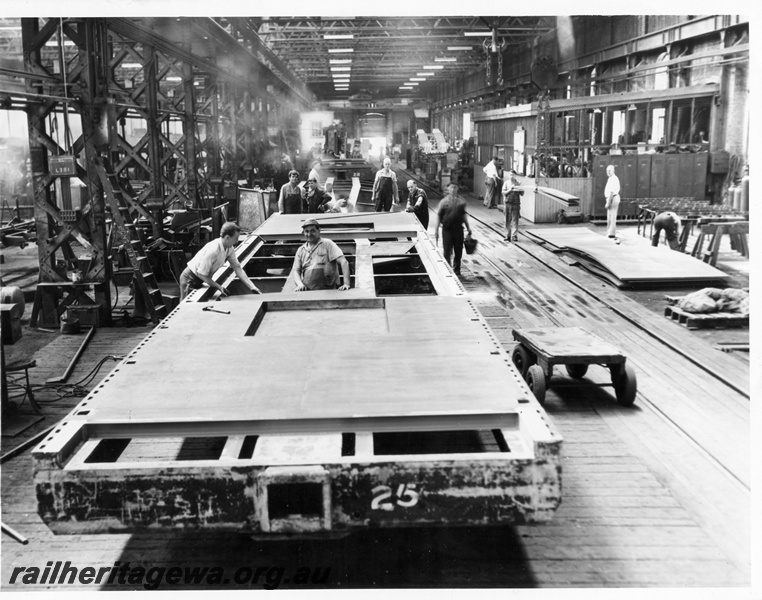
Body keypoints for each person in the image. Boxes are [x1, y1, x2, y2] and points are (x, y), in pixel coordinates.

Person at [179, 222, 261, 300]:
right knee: (186, 309)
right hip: (190, 279)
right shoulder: (213, 250)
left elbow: (237, 267)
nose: (237, 241)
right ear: (227, 238)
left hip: (201, 278)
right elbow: (201, 274)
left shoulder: (229, 248)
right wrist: (218, 286)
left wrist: (252, 286)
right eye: (235, 238)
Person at [290, 219, 351, 291]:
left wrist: (346, 284)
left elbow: (344, 262)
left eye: (312, 231)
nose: (309, 234)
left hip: (329, 291)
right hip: (309, 292)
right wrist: (300, 284)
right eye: (306, 231)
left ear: (319, 231)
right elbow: (296, 271)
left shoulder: (327, 244)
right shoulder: (301, 250)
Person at [432, 183, 473, 276]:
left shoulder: (461, 201)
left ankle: (457, 270)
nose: (453, 189)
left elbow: (464, 215)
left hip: (458, 229)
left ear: (457, 188)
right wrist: (436, 230)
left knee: (458, 250)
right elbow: (439, 215)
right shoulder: (443, 202)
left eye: (455, 187)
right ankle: (447, 269)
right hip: (447, 229)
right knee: (447, 250)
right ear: (448, 189)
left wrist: (468, 228)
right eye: (451, 188)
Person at [501, 170, 524, 242]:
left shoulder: (518, 183)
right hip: (508, 203)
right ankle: (507, 235)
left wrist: (520, 187)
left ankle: (514, 236)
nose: (511, 176)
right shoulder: (506, 183)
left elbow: (522, 193)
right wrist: (510, 190)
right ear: (509, 175)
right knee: (507, 220)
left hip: (515, 204)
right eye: (510, 175)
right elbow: (503, 193)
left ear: (515, 176)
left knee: (515, 220)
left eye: (513, 175)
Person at [604, 164, 621, 239]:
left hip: (613, 198)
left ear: (613, 171)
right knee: (610, 217)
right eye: (607, 171)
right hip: (612, 198)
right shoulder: (611, 178)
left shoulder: (613, 178)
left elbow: (611, 192)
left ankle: (611, 234)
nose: (608, 172)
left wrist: (608, 203)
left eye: (609, 171)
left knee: (612, 217)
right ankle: (610, 232)